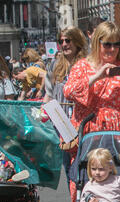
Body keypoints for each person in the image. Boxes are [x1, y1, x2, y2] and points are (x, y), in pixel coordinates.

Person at [63, 21, 120, 202]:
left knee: (117, 180)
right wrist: (97, 76)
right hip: (89, 130)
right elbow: (69, 91)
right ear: (97, 42)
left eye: (117, 44)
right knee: (83, 180)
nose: (112, 49)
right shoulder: (82, 66)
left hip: (117, 132)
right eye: (107, 44)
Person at [43, 26, 88, 189]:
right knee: (68, 168)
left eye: (67, 40)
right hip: (61, 124)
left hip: (83, 121)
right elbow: (48, 94)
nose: (64, 44)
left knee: (85, 164)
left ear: (77, 42)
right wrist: (43, 111)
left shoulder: (86, 64)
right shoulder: (54, 65)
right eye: (61, 41)